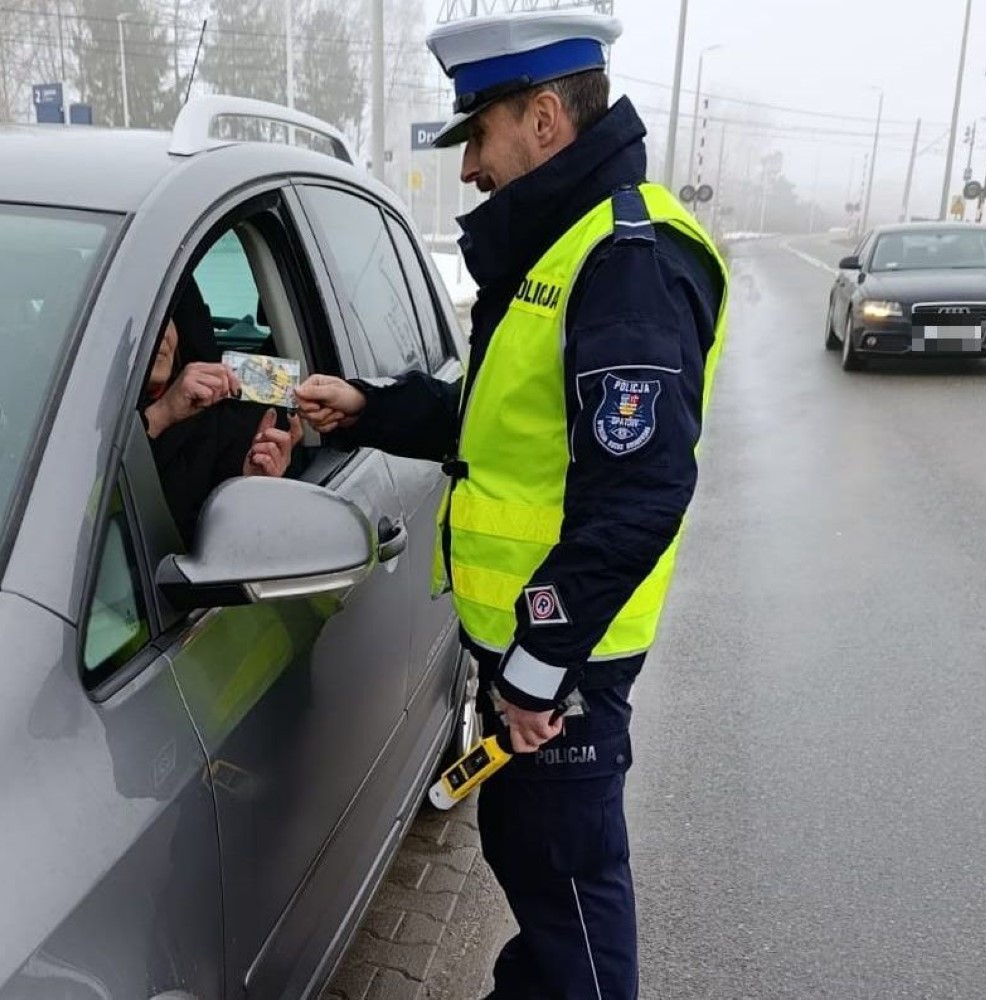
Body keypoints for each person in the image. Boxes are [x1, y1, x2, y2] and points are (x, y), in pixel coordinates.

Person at [294, 11, 729, 999]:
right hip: (535, 653)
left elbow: (641, 490)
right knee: (534, 861)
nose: (467, 170)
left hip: (565, 659)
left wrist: (536, 671)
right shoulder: (561, 244)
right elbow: (504, 426)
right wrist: (372, 408)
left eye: (476, 137)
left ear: (542, 119)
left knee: (570, 892)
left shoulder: (626, 258)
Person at [140, 280, 302, 545]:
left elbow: (224, 545)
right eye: (146, 321)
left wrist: (252, 486)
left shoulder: (225, 416)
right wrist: (162, 414)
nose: (162, 335)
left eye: (167, 319)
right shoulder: (78, 416)